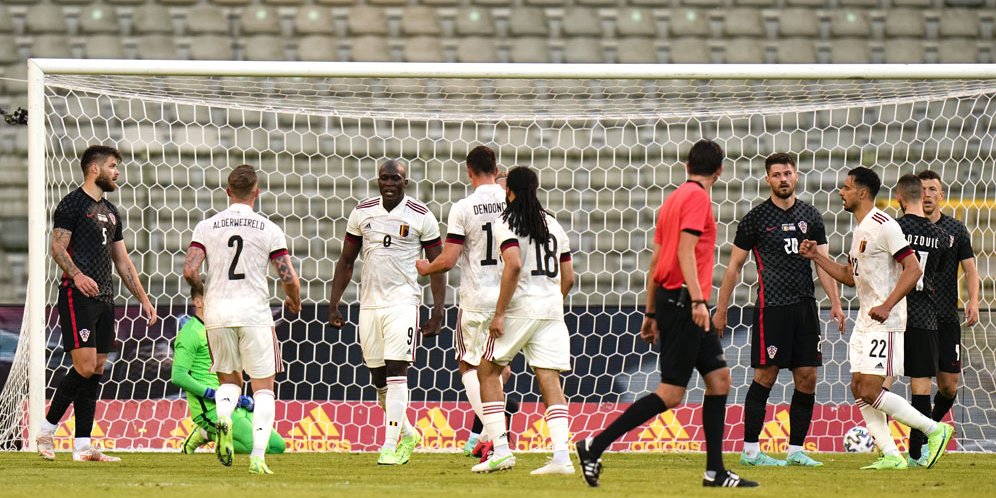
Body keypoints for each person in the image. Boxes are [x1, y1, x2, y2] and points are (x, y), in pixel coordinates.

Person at [576, 140, 758, 488]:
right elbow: (686, 252)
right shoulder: (697, 199)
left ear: (687, 165)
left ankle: (715, 471)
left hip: (670, 299)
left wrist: (650, 311)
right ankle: (594, 446)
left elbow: (656, 261)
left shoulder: (672, 200)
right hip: (685, 302)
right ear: (720, 171)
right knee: (672, 393)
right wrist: (698, 301)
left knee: (719, 379)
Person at [799, 166, 953, 470]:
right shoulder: (861, 229)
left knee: (871, 390)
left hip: (887, 322)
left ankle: (935, 429)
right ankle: (892, 455)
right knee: (859, 388)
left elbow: (913, 269)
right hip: (865, 320)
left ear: (862, 192)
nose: (841, 192)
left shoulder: (886, 225)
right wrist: (817, 256)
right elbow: (849, 275)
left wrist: (887, 305)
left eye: (846, 187)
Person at [713, 152, 845, 468]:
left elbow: (823, 263)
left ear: (796, 176)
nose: (783, 179)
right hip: (771, 308)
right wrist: (721, 309)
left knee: (807, 377)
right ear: (768, 179)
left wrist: (836, 302)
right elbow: (733, 267)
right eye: (776, 175)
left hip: (805, 307)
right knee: (765, 376)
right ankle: (750, 452)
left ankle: (796, 451)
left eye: (787, 173)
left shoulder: (811, 216)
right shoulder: (756, 219)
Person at [36, 145, 159, 462]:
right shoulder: (72, 204)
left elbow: (123, 261)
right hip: (77, 296)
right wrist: (77, 275)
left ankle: (82, 446)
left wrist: (144, 299)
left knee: (97, 370)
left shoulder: (111, 211)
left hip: (106, 298)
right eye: (113, 166)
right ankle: (47, 430)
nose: (117, 172)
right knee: (85, 367)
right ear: (94, 168)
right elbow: (57, 248)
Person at [183, 164, 302, 475]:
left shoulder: (207, 226)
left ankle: (223, 416)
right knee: (263, 389)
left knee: (229, 382)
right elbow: (287, 276)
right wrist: (294, 298)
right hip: (254, 315)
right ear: (256, 192)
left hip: (218, 314)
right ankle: (258, 458)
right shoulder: (268, 228)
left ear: (228, 191)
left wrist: (203, 292)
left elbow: (190, 270)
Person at [328, 159, 446, 466]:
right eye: (384, 178)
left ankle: (389, 446)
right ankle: (407, 434)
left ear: (405, 182)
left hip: (403, 302)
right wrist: (334, 302)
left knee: (397, 372)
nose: (389, 183)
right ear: (378, 181)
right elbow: (346, 261)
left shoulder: (422, 215)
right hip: (370, 303)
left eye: (395, 178)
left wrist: (438, 311)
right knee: (378, 378)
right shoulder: (362, 211)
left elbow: (437, 266)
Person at [471, 165, 575, 475]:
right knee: (550, 380)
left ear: (509, 191)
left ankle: (501, 451)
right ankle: (562, 457)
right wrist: (551, 301)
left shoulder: (506, 222)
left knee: (487, 371)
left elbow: (513, 265)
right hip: (551, 309)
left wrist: (500, 313)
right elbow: (569, 278)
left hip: (519, 308)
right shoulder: (553, 224)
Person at [415, 148, 516, 461]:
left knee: (469, 365)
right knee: (500, 368)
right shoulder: (511, 203)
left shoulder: (463, 207)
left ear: (469, 172)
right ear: (496, 169)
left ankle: (494, 433)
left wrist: (425, 268)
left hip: (475, 299)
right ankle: (489, 432)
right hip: (507, 299)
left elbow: (448, 260)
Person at [171, 286, 287, 456]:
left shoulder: (222, 329)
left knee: (277, 446)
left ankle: (213, 431)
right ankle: (205, 432)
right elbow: (178, 376)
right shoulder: (190, 332)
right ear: (198, 302)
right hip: (209, 409)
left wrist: (240, 398)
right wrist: (212, 393)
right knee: (253, 447)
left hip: (231, 403)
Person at [891, 173, 952, 467]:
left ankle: (886, 450)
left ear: (899, 198)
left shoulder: (893, 228)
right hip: (925, 315)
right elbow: (935, 272)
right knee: (921, 387)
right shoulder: (941, 236)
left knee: (880, 383)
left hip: (895, 312)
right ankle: (917, 453)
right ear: (921, 195)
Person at [917, 169, 980, 446]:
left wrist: (973, 300)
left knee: (948, 385)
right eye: (922, 189)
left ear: (941, 195)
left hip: (945, 317)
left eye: (932, 189)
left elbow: (970, 269)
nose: (927, 194)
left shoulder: (955, 229)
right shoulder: (907, 228)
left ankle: (929, 428)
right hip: (915, 316)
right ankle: (902, 443)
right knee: (911, 380)